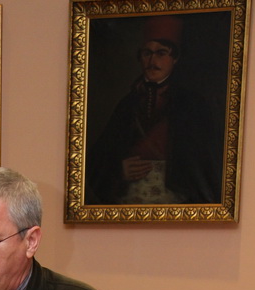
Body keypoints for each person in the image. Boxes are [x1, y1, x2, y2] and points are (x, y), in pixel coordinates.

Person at [86, 15, 223, 204]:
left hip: (179, 201)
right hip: (128, 201)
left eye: (161, 53)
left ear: (175, 58)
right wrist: (119, 170)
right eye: (147, 53)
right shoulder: (127, 104)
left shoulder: (193, 104)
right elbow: (97, 159)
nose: (152, 60)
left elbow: (204, 164)